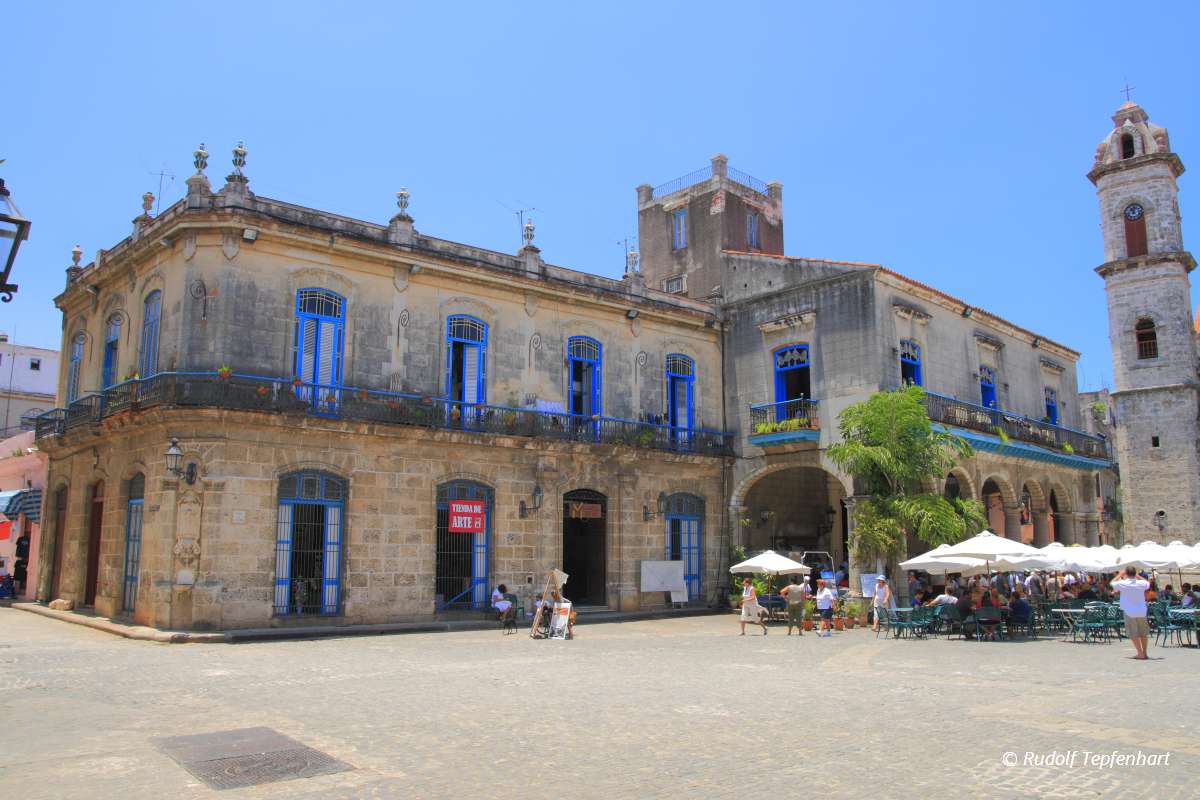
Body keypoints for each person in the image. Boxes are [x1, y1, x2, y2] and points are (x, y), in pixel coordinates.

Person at [1111, 566, 1151, 660]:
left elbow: (1112, 583)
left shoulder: (1123, 583)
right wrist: (1138, 575)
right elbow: (1147, 583)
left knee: (1133, 633)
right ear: (1135, 573)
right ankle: (1144, 653)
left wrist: (1120, 574)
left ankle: (1140, 653)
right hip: (1141, 610)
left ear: (1126, 573)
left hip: (1129, 610)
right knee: (1143, 633)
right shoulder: (1141, 583)